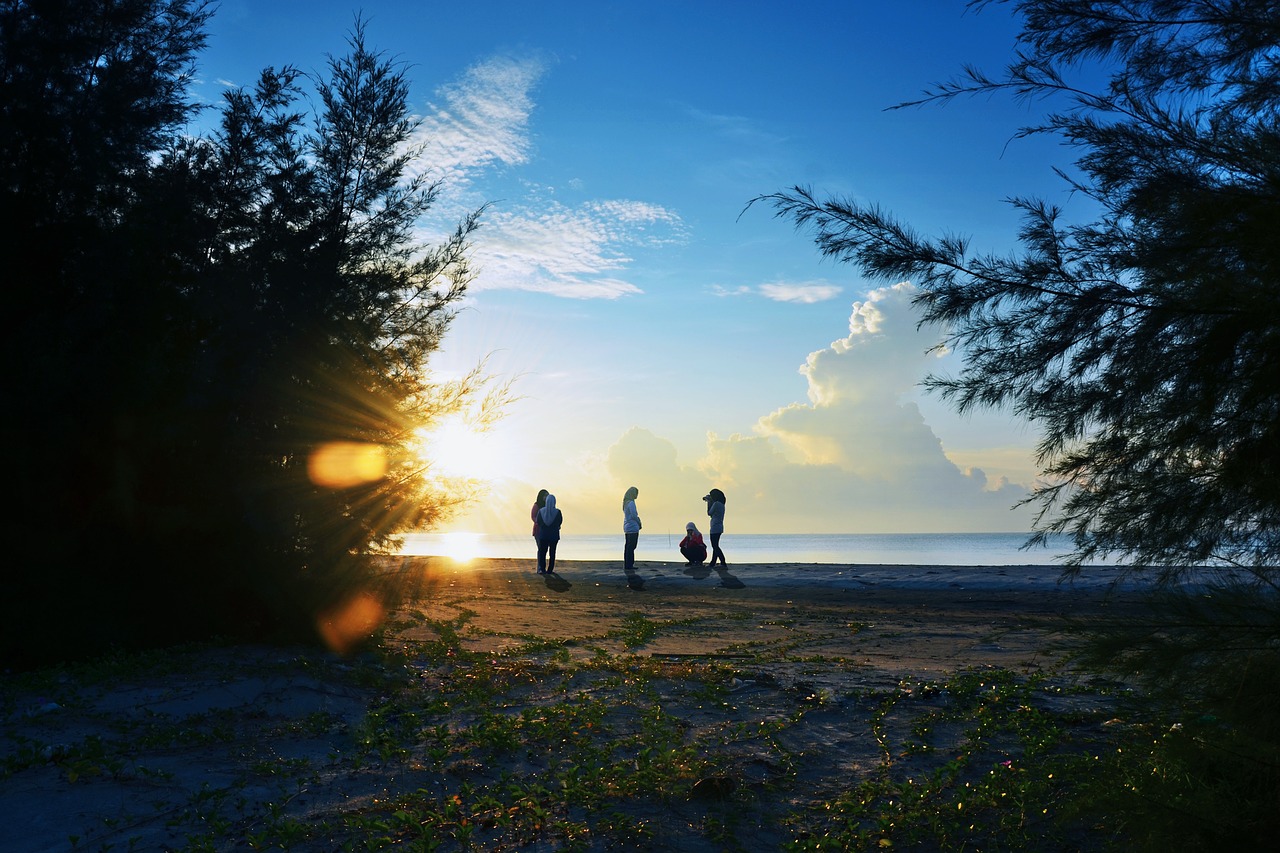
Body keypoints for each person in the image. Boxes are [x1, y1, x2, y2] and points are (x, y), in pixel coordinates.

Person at [536, 493, 563, 574]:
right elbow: (560, 522)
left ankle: (542, 569)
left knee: (542, 552)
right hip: (554, 535)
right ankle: (550, 569)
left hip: (543, 535)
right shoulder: (557, 512)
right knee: (552, 552)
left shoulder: (541, 511)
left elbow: (538, 521)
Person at [703, 488, 727, 568]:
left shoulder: (716, 504)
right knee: (715, 546)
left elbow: (709, 513)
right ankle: (713, 563)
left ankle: (723, 562)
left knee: (715, 546)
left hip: (715, 527)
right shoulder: (721, 504)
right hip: (719, 527)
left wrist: (709, 502)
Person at [622, 486, 641, 573]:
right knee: (632, 546)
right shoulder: (631, 503)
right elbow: (634, 515)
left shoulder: (626, 503)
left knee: (628, 546)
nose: (637, 495)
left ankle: (627, 564)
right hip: (632, 526)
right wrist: (639, 522)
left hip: (627, 526)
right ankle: (630, 564)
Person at [530, 489, 548, 568]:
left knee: (544, 549)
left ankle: (542, 566)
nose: (546, 497)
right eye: (545, 495)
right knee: (540, 548)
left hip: (546, 529)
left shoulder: (548, 505)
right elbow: (533, 516)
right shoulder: (537, 505)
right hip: (538, 529)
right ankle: (540, 567)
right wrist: (538, 522)